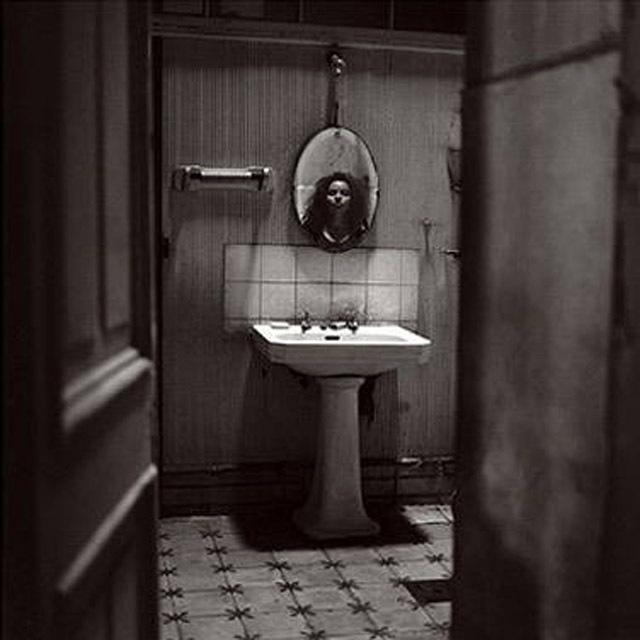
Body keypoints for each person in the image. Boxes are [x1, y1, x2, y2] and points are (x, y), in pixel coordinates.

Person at [302, 171, 370, 251]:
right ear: (322, 198)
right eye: (332, 193)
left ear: (353, 200)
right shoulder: (310, 231)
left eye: (345, 193)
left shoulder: (361, 233)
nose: (338, 197)